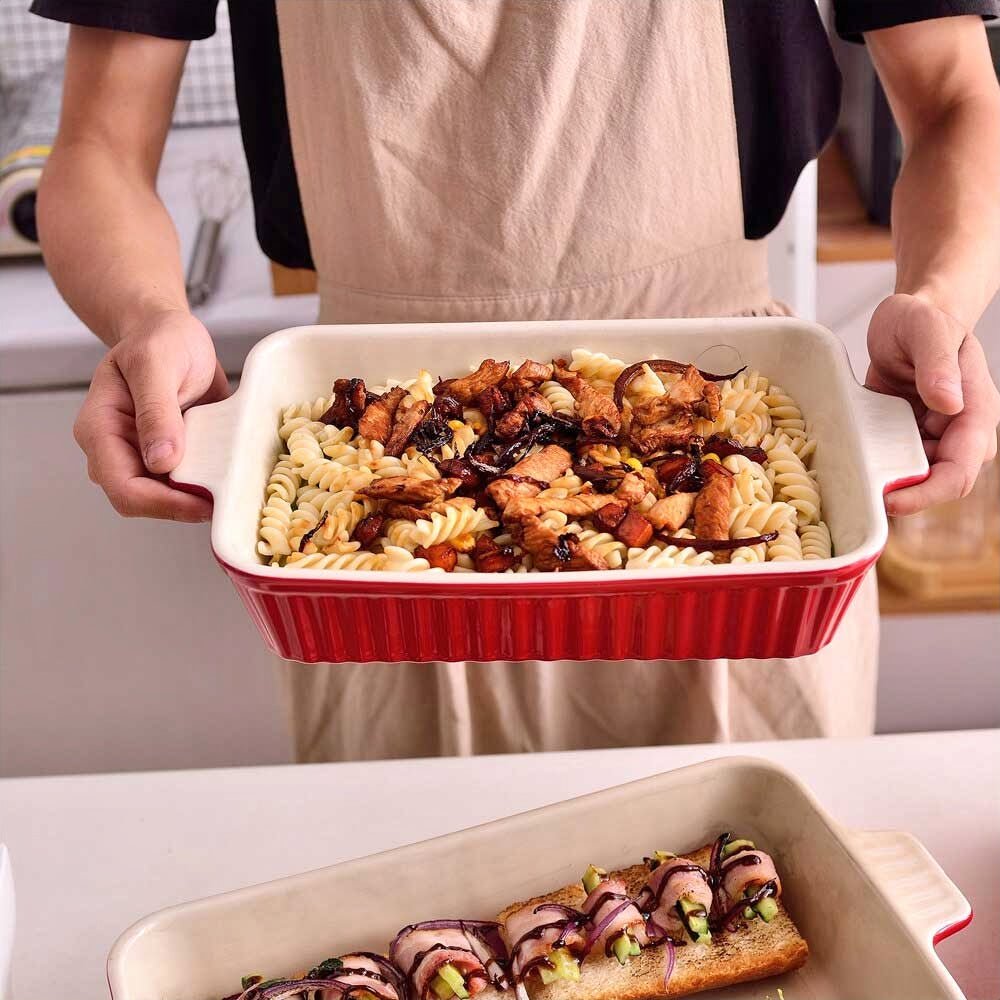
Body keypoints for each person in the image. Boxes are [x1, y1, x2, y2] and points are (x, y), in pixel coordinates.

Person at [34, 1, 1000, 759]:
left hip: (734, 499)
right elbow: (99, 147)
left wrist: (943, 297)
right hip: (378, 516)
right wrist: (145, 318)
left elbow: (956, 92)